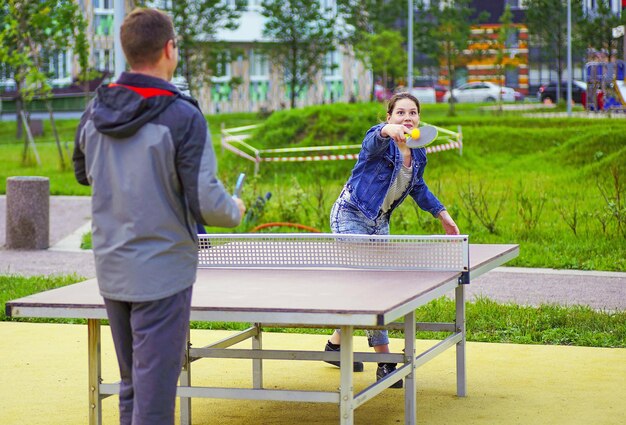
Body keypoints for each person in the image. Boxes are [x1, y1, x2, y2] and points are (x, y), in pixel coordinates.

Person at [73, 8, 245, 425]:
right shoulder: (182, 116)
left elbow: (82, 173)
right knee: (155, 394)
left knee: (133, 384)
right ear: (169, 49)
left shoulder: (95, 110)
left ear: (126, 49)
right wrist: (234, 210)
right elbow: (208, 204)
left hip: (112, 268)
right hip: (163, 274)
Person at [324, 92, 459, 388]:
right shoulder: (379, 143)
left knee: (364, 289)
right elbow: (372, 138)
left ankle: (334, 347)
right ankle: (385, 362)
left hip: (379, 223)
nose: (407, 118)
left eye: (412, 113)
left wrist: (441, 213)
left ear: (419, 119)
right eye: (400, 113)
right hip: (350, 215)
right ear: (389, 117)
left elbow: (418, 187)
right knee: (370, 288)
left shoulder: (418, 153)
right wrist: (388, 131)